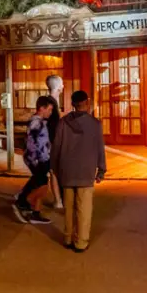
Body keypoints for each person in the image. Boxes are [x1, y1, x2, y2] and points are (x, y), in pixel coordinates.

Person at [51, 91, 105, 252]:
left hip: (67, 170)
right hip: (86, 171)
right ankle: (81, 242)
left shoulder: (63, 123)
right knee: (84, 208)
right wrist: (101, 169)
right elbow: (99, 148)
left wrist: (54, 168)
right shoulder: (95, 124)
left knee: (69, 207)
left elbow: (56, 147)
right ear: (86, 103)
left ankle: (68, 237)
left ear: (73, 104)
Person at [13, 96, 56, 223]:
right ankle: (23, 201)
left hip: (42, 158)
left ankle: (34, 211)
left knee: (40, 182)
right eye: (49, 109)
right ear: (42, 108)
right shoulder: (36, 122)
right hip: (37, 159)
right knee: (41, 183)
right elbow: (31, 143)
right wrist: (35, 160)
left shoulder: (40, 121)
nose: (50, 112)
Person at [45, 74, 65, 210]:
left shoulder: (51, 102)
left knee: (55, 171)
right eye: (62, 84)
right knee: (53, 171)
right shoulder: (51, 103)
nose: (63, 86)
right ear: (58, 87)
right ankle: (58, 200)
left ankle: (59, 199)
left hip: (53, 142)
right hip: (52, 143)